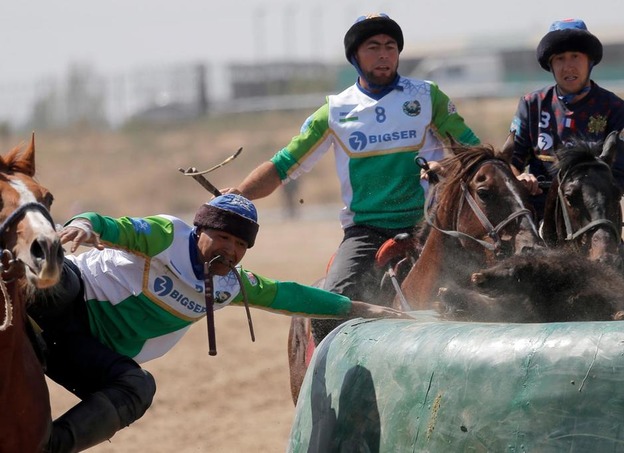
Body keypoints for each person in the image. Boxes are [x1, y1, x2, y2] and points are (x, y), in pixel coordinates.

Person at [29, 194, 409, 453]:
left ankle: (45, 446)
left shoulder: (230, 286)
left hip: (80, 350)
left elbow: (292, 295)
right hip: (64, 303)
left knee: (136, 387)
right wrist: (83, 224)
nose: (231, 250)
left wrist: (359, 307)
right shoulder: (167, 235)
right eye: (223, 237)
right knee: (60, 276)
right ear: (200, 231)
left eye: (241, 245)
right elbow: (113, 226)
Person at [222, 13, 480, 345]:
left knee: (488, 295)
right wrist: (239, 195)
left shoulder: (428, 96)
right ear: (355, 56)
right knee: (327, 309)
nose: (384, 54)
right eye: (373, 47)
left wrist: (446, 165)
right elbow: (284, 165)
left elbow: (473, 153)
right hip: (366, 232)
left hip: (431, 227)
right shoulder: (335, 110)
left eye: (391, 47)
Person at [505, 18, 624, 289]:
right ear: (551, 65)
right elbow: (510, 162)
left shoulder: (616, 109)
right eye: (560, 59)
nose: (568, 66)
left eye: (576, 56)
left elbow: (618, 177)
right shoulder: (531, 105)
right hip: (536, 223)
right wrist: (521, 178)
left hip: (592, 224)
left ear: (589, 61)